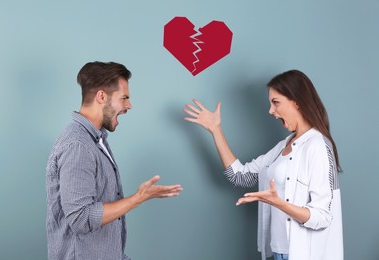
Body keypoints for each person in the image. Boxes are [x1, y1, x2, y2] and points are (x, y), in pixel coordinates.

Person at [183, 69, 343, 260]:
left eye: (276, 102)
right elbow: (240, 177)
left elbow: (322, 217)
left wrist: (279, 203)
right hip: (279, 252)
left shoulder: (317, 145)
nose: (270, 111)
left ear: (297, 102)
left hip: (304, 254)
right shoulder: (282, 147)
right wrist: (215, 130)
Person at [46, 61, 183, 260]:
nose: (129, 106)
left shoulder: (95, 139)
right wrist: (138, 198)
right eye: (124, 98)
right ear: (102, 97)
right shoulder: (78, 145)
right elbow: (81, 218)